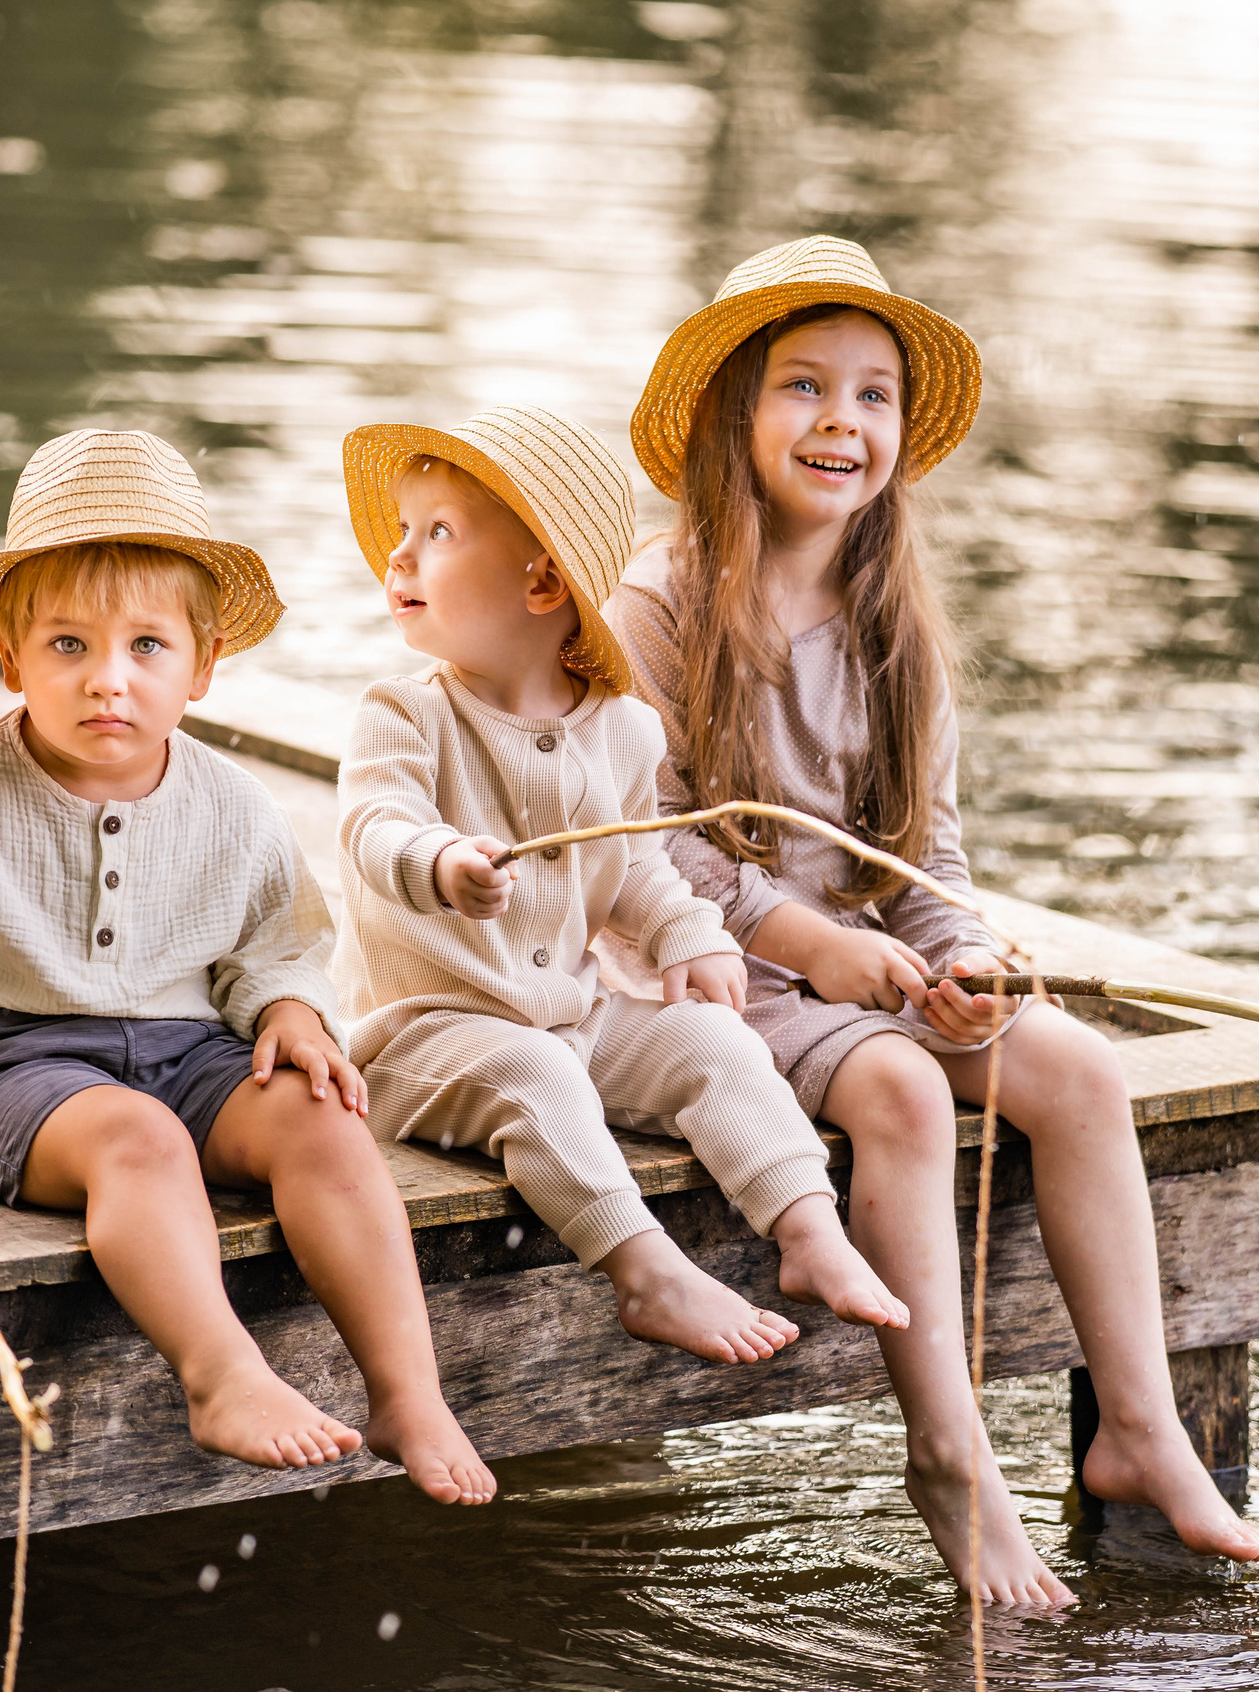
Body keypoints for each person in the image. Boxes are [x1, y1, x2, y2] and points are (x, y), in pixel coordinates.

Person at [605, 237, 1259, 1604]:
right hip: (706, 980)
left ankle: (1139, 1431)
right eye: (803, 386)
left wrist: (966, 956)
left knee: (1078, 1066)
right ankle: (950, 1452)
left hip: (868, 963)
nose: (841, 422)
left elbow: (927, 853)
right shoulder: (656, 607)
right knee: (902, 1089)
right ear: (733, 410)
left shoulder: (891, 619)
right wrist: (819, 947)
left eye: (872, 395)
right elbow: (649, 847)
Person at [0, 429, 493, 1501]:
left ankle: (406, 1388)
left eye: (146, 648)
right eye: (69, 647)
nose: (108, 682)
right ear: (12, 659)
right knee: (138, 1138)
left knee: (321, 1115)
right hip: (15, 1071)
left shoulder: (231, 804)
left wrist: (292, 1016)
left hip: (190, 1052)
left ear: (203, 668)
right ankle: (222, 1374)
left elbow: (279, 940)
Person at [329, 405, 907, 1367]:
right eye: (401, 533)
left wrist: (690, 932)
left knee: (709, 1038)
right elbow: (371, 826)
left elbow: (641, 863)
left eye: (435, 534)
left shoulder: (623, 730)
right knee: (535, 1074)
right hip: (425, 1036)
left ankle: (808, 1230)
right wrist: (438, 861)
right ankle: (643, 1268)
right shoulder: (402, 714)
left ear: (543, 580)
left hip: (574, 1015)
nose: (397, 559)